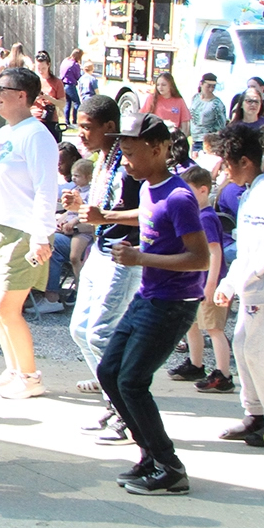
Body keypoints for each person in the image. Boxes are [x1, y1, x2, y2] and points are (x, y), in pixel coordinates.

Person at [97, 114, 211, 495]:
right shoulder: (148, 187)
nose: (125, 162)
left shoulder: (180, 197)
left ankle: (170, 467)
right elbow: (147, 215)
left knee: (132, 380)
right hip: (148, 296)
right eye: (122, 153)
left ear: (159, 150)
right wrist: (105, 216)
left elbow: (200, 259)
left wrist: (141, 259)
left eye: (130, 153)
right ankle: (149, 456)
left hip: (173, 302)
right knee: (110, 371)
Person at [0, 66, 59, 400]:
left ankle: (29, 375)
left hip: (24, 232)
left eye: (1, 90)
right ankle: (13, 371)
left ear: (22, 95)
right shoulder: (4, 134)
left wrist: (41, 235)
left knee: (9, 306)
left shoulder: (37, 135)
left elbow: (45, 189)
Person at [68, 94, 146, 433]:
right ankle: (113, 401)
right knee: (80, 329)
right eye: (79, 127)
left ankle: (127, 410)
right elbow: (101, 212)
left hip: (124, 255)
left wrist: (103, 215)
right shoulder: (104, 160)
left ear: (109, 127)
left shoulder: (130, 164)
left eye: (87, 128)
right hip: (101, 250)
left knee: (102, 332)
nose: (81, 135)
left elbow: (151, 213)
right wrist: (81, 205)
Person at [213, 123, 264, 445]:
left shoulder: (263, 195)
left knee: (257, 351)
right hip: (249, 286)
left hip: (261, 285)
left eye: (228, 163)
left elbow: (261, 249)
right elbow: (244, 248)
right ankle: (254, 412)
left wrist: (247, 279)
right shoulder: (249, 195)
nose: (224, 170)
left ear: (245, 161)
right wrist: (230, 283)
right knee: (243, 346)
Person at [167, 165, 233, 393]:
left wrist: (211, 285)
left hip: (209, 284)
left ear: (203, 190)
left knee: (214, 328)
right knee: (192, 324)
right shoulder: (196, 215)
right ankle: (196, 364)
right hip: (195, 283)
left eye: (189, 190)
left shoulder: (206, 217)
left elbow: (215, 252)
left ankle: (224, 374)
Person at [143, 71, 192, 135]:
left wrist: (182, 139)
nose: (160, 87)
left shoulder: (179, 101)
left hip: (173, 136)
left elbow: (185, 124)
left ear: (171, 85)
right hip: (156, 136)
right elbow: (144, 118)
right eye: (158, 85)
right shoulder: (151, 98)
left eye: (163, 85)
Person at [190, 73, 227, 144]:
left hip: (207, 141)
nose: (211, 89)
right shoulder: (195, 97)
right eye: (208, 86)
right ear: (201, 84)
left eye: (213, 86)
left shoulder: (217, 104)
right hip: (194, 139)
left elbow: (222, 126)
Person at [60, 48, 85, 126]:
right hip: (70, 85)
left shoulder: (65, 61)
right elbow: (78, 76)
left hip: (63, 84)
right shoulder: (75, 64)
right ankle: (75, 120)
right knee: (77, 103)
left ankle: (66, 121)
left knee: (68, 103)